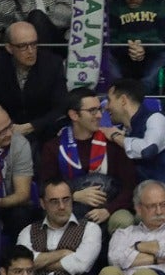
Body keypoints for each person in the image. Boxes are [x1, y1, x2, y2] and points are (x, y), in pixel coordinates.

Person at [102, 79, 165, 226]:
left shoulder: (155, 118)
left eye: (109, 101)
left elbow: (148, 150)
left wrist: (116, 137)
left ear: (123, 100)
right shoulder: (126, 132)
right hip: (150, 207)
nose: (106, 107)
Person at [37, 91, 138, 230]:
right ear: (74, 115)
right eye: (92, 111)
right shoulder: (53, 147)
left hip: (109, 207)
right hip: (69, 207)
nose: (99, 115)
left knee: (123, 220)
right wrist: (73, 196)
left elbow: (130, 186)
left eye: (99, 109)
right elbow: (45, 188)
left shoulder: (112, 143)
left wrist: (108, 210)